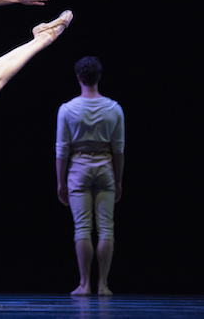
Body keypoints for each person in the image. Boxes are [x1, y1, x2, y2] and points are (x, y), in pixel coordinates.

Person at [55, 56, 125, 296]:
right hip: (105, 165)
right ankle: (103, 284)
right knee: (106, 228)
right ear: (99, 76)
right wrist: (118, 179)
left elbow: (62, 149)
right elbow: (119, 149)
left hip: (79, 167)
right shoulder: (114, 108)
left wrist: (60, 181)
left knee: (82, 228)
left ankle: (85, 284)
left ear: (78, 77)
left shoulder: (67, 109)